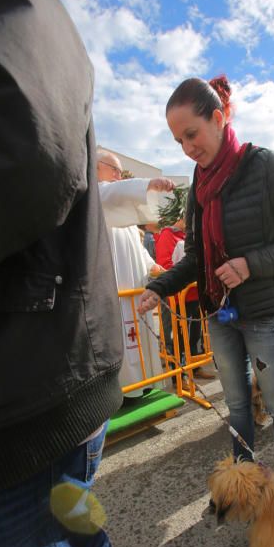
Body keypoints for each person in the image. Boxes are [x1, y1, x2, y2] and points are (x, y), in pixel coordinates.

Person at [0, 0, 136, 547]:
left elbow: (29, 150)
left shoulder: (12, 1)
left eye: (191, 134)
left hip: (32, 376)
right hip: (31, 361)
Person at [139, 76, 274, 474]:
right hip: (219, 313)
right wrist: (159, 286)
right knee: (237, 404)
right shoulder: (199, 186)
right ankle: (244, 483)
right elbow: (196, 257)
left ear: (219, 118)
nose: (188, 149)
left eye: (192, 134)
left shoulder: (265, 165)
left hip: (267, 311)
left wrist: (249, 264)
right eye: (179, 142)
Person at [97, 149, 175, 401]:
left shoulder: (124, 214)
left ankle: (143, 385)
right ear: (97, 166)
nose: (118, 176)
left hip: (135, 291)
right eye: (115, 170)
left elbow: (137, 251)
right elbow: (110, 193)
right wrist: (146, 185)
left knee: (140, 338)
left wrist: (154, 266)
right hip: (115, 293)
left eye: (120, 171)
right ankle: (121, 393)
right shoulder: (95, 196)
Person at [155, 198, 215, 380]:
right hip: (179, 296)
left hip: (196, 295)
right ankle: (179, 375)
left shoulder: (188, 236)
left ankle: (195, 368)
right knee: (179, 336)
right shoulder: (167, 235)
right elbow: (164, 264)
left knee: (194, 333)